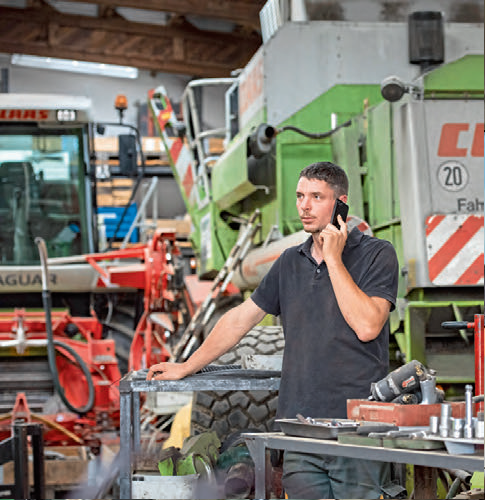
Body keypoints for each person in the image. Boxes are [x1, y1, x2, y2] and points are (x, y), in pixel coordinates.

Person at [147, 161, 399, 499]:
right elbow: (240, 319)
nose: (304, 206)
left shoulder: (376, 254)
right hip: (299, 430)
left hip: (356, 429)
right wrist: (187, 366)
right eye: (299, 196)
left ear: (341, 203)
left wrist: (334, 259)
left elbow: (368, 326)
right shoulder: (289, 263)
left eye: (316, 197)